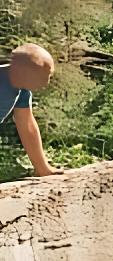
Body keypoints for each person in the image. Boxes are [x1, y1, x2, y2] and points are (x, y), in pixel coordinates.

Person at [5, 44, 57, 176]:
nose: (47, 82)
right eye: (43, 75)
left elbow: (27, 125)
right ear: (23, 71)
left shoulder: (22, 90)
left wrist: (42, 169)